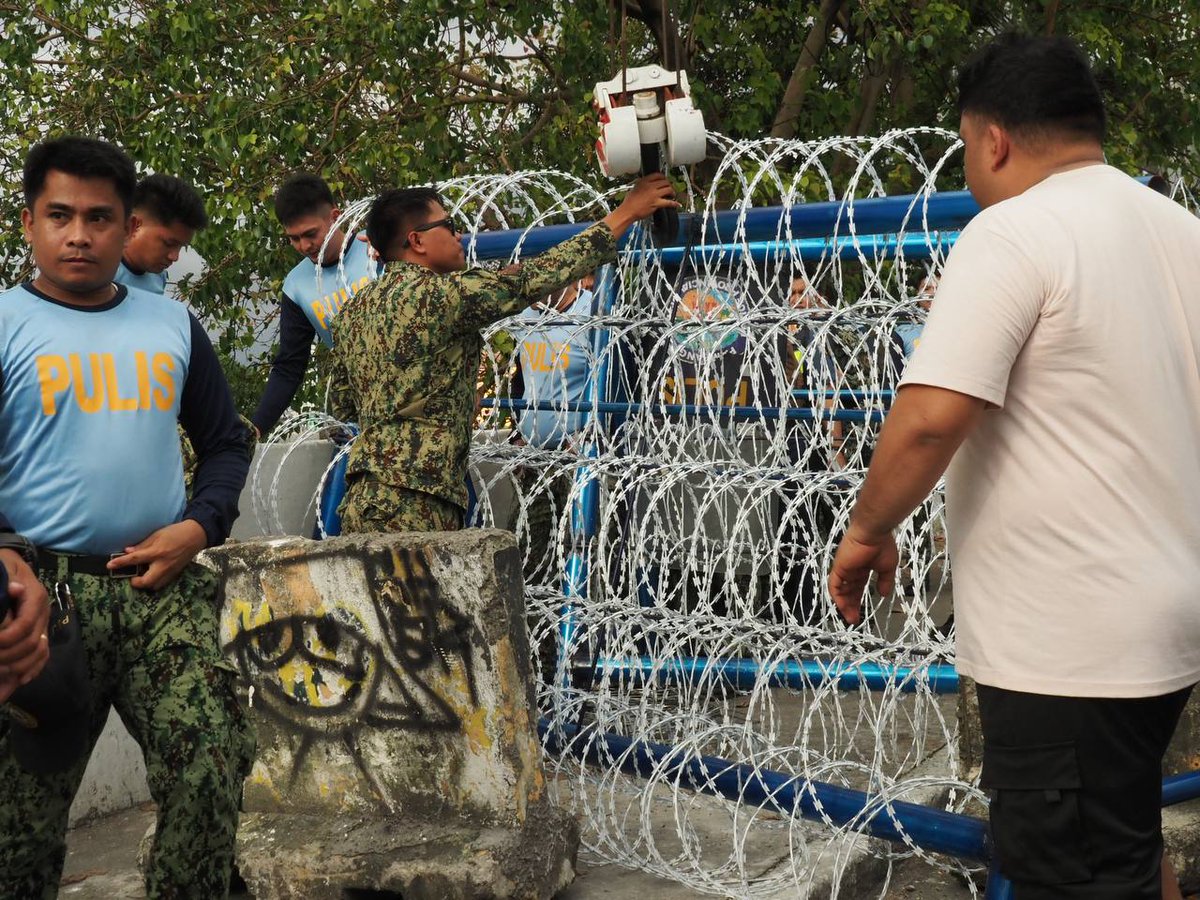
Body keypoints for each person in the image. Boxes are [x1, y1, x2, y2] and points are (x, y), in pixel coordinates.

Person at [828, 33, 1200, 900]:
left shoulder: (1016, 231)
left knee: (1072, 876)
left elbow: (928, 420)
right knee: (1128, 851)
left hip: (1068, 648)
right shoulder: (1183, 234)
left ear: (993, 138)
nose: (970, 171)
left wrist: (866, 530)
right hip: (1164, 624)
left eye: (966, 149)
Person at [0, 136, 254, 899]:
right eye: (61, 215)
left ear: (125, 224)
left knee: (211, 764)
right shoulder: (6, 321)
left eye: (100, 218)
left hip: (161, 587)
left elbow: (225, 444)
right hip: (38, 595)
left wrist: (200, 525)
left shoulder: (171, 326)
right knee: (20, 822)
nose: (80, 234)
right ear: (28, 224)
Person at [330, 173, 677, 534]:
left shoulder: (353, 312)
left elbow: (344, 405)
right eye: (448, 226)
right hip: (419, 503)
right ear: (416, 241)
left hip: (362, 499)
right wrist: (626, 213)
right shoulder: (442, 297)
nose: (459, 235)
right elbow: (532, 278)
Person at [250, 174, 376, 438]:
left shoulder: (377, 246)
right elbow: (289, 366)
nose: (304, 246)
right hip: (357, 401)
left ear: (335, 216)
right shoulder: (296, 286)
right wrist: (255, 428)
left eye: (311, 234)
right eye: (294, 238)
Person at [115, 173, 208, 294]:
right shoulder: (97, 274)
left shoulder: (158, 277)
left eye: (182, 246)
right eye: (168, 243)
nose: (174, 257)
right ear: (133, 225)